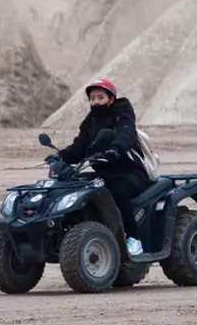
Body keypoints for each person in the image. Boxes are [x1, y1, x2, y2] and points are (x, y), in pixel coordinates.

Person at [58, 78, 154, 253]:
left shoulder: (122, 113)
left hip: (130, 172)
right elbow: (80, 146)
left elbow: (126, 134)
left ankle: (134, 238)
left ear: (111, 99)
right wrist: (60, 156)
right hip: (105, 173)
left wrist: (116, 149)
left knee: (117, 191)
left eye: (100, 97)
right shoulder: (91, 121)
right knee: (76, 187)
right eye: (92, 98)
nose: (95, 102)